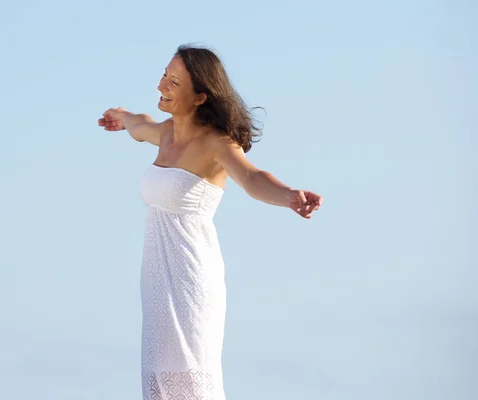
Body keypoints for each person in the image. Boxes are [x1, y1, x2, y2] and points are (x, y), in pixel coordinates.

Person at [98, 45, 323, 400]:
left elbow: (252, 178)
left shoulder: (216, 144)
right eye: (164, 76)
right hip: (157, 286)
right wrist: (120, 116)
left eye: (174, 82)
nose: (162, 86)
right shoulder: (165, 133)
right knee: (159, 384)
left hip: (191, 281)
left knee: (191, 381)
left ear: (200, 96)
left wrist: (289, 196)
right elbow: (137, 124)